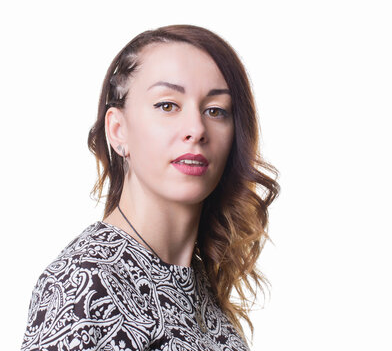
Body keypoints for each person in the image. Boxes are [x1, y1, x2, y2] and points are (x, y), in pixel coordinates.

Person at [20, 24, 280, 351]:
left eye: (215, 110)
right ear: (118, 130)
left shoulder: (203, 289)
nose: (197, 129)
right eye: (168, 105)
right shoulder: (84, 285)